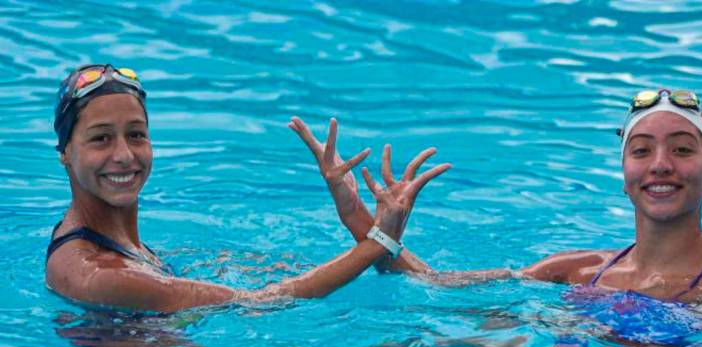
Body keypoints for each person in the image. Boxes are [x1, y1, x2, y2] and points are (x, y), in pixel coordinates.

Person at [290, 89, 702, 311]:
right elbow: (436, 286)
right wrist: (361, 220)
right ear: (625, 177)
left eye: (683, 150)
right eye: (641, 151)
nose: (660, 164)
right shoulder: (575, 268)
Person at [47, 64, 451, 313]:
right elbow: (262, 303)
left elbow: (401, 277)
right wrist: (376, 239)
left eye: (136, 135)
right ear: (65, 152)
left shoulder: (122, 246)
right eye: (101, 139)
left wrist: (357, 220)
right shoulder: (98, 272)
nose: (124, 155)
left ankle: (512, 280)